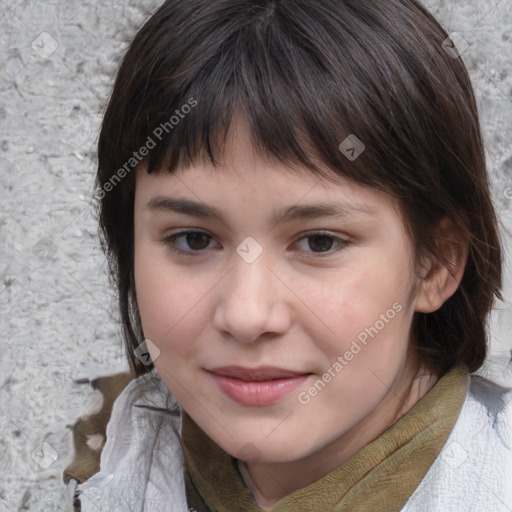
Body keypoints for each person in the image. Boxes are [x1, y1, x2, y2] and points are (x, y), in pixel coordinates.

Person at [63, 0, 512, 510]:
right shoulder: (109, 464)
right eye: (193, 239)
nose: (247, 315)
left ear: (435, 263)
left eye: (319, 242)